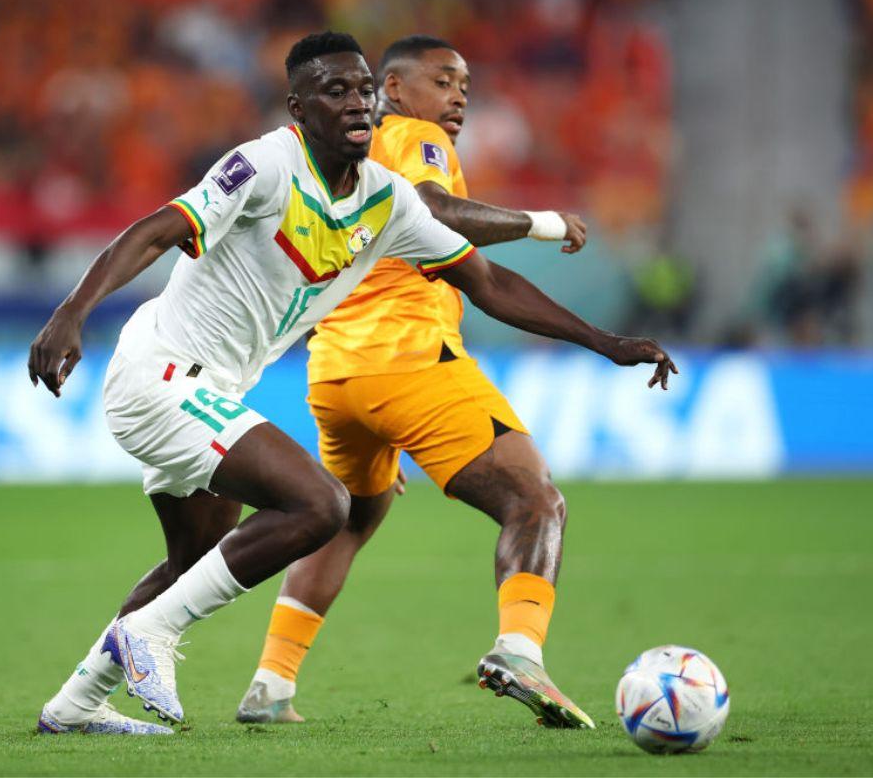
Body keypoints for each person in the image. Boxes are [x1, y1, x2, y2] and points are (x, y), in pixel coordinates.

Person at [30, 31, 676, 735]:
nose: (356, 102)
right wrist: (72, 314)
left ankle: (77, 702)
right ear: (298, 107)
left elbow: (487, 283)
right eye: (335, 91)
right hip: (157, 373)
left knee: (191, 561)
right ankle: (150, 632)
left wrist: (601, 341)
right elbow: (158, 230)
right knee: (320, 505)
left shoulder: (387, 200)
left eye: (363, 89)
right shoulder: (265, 164)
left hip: (213, 388)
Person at [234, 35, 599, 730]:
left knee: (348, 521)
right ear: (392, 90)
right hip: (407, 356)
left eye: (465, 83)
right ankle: (519, 651)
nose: (459, 95)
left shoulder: (342, 157)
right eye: (443, 79)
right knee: (534, 499)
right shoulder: (415, 134)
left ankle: (271, 684)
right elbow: (432, 208)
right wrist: (542, 223)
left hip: (337, 369)